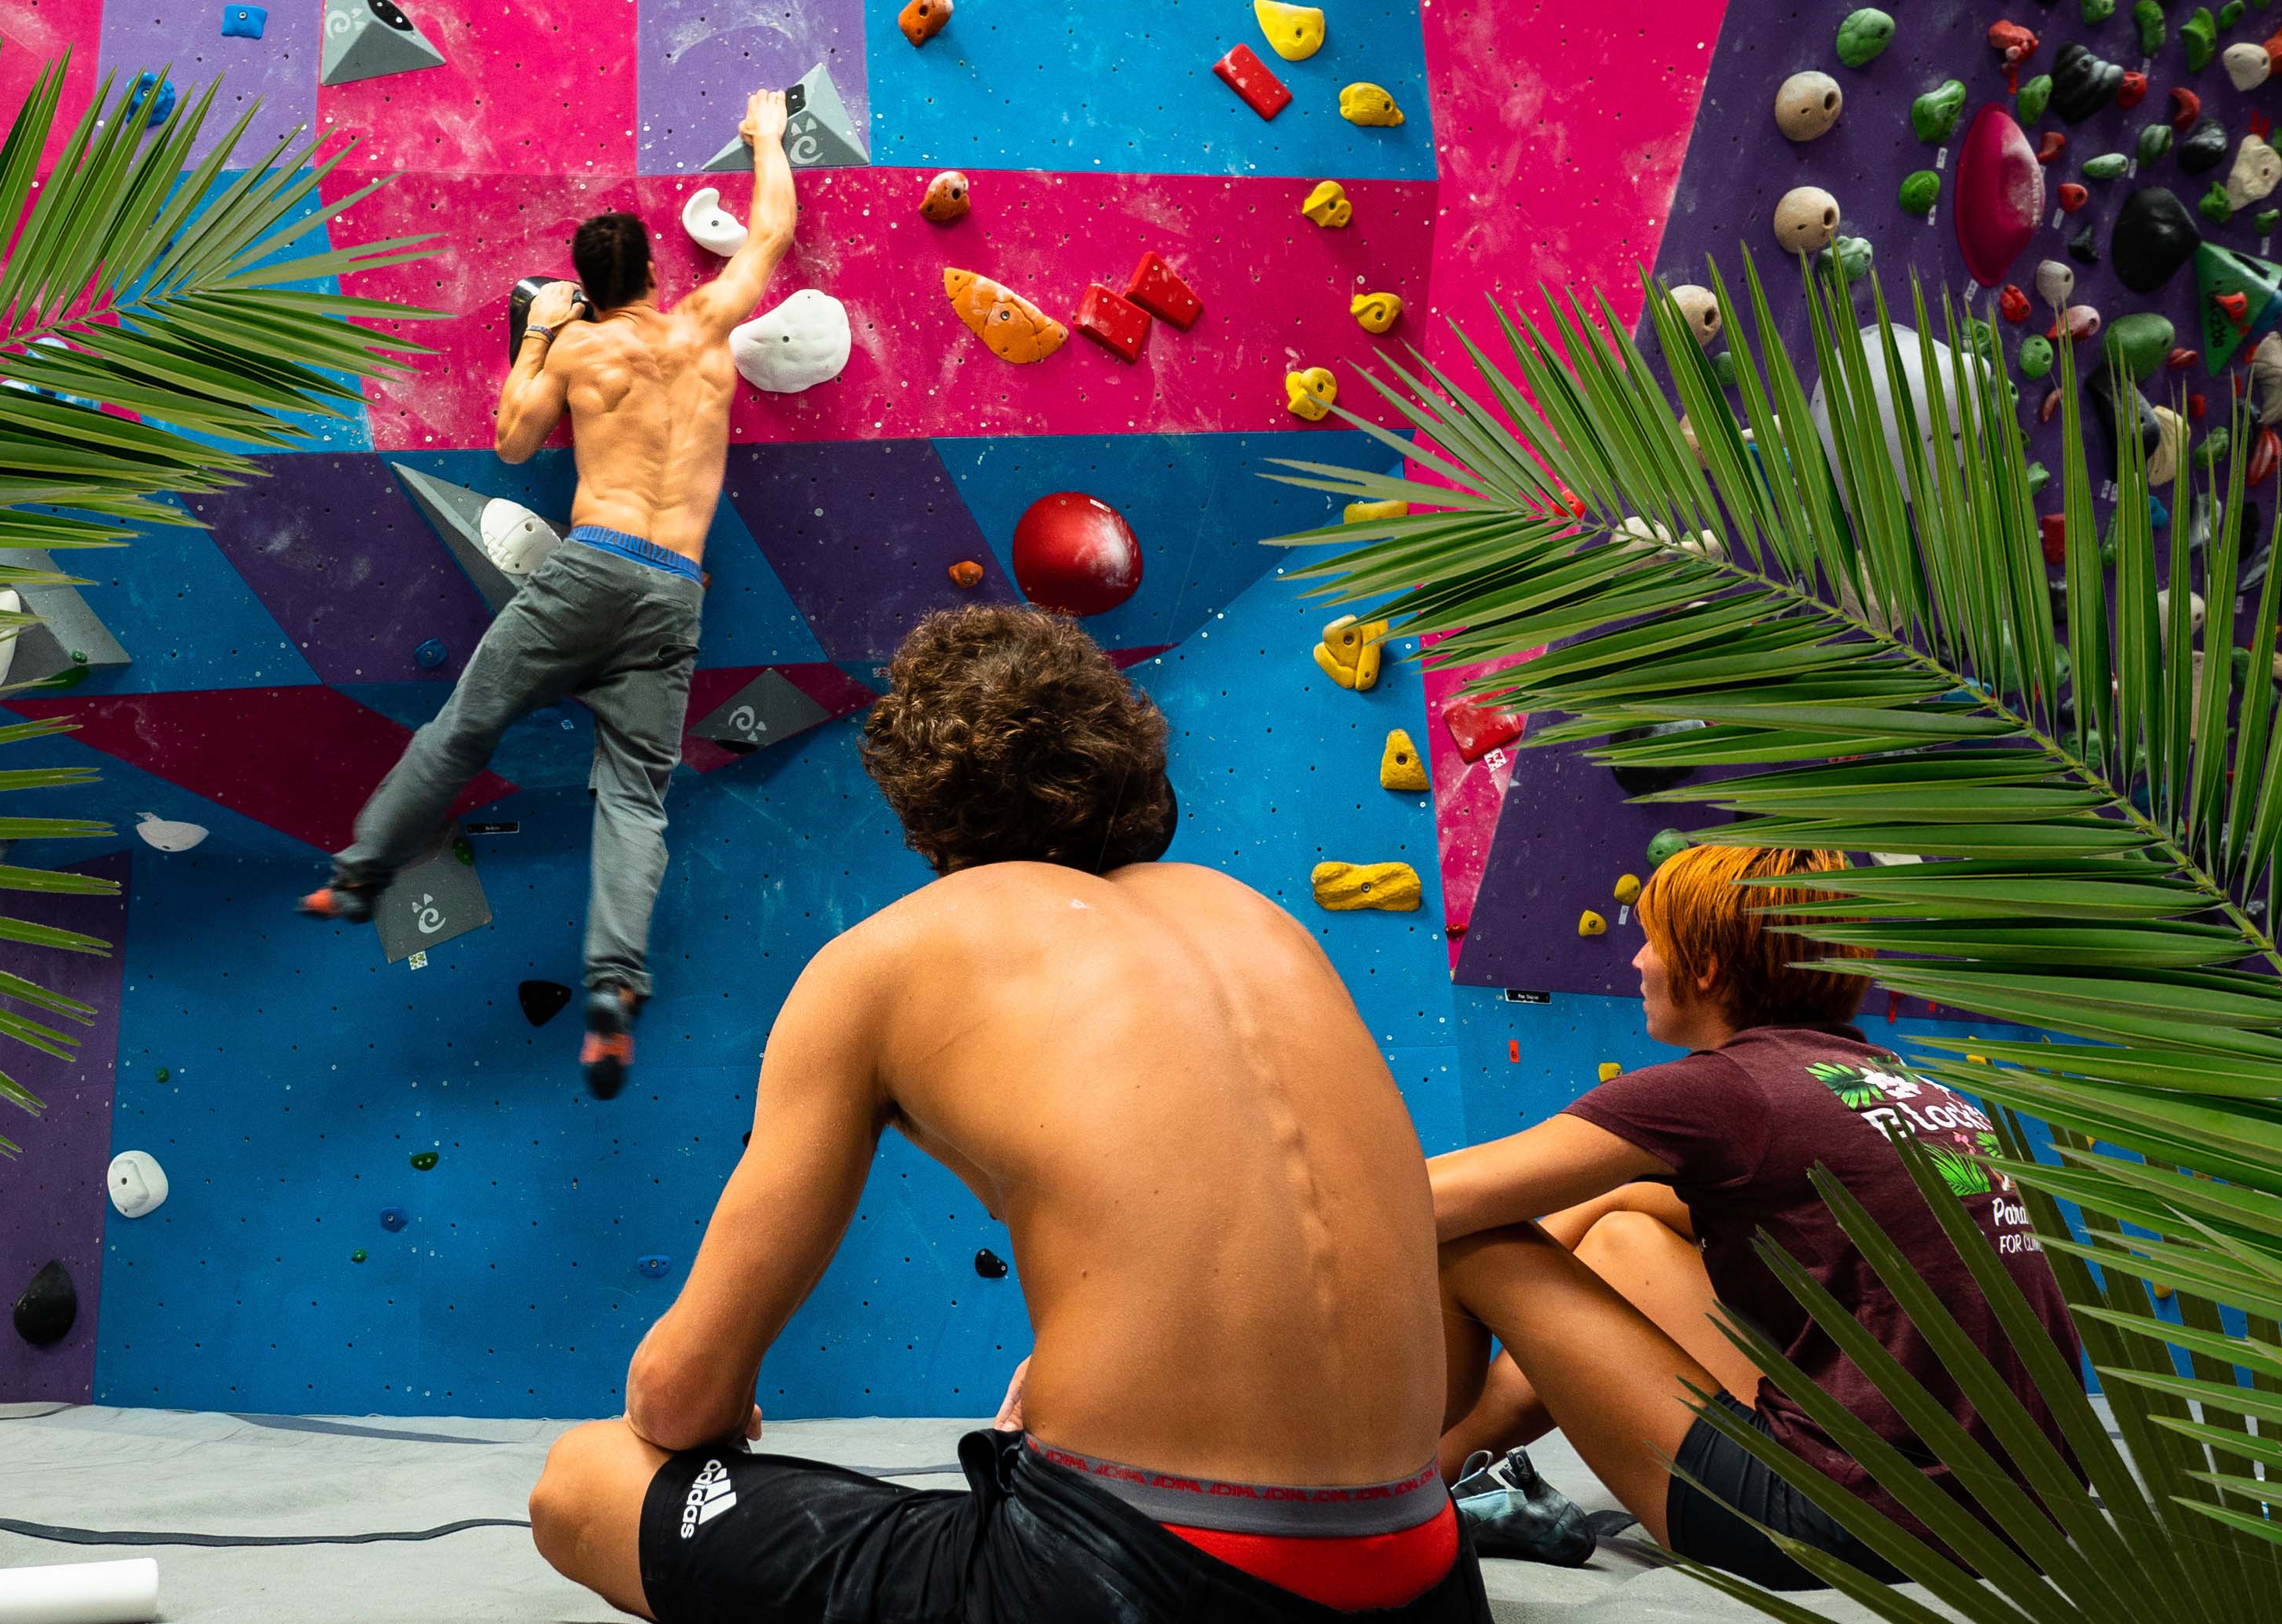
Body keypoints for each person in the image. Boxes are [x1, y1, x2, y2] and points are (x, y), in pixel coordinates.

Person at [525, 605, 1493, 1624]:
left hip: (1126, 1580)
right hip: (1423, 1570)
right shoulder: (1263, 927)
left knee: (586, 1478)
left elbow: (679, 1395)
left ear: (919, 805)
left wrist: (702, 1412)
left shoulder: (882, 962)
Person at [298, 89, 801, 1101]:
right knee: (634, 798)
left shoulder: (574, 346)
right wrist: (768, 141)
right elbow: (772, 232)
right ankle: (614, 986)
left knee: (463, 730)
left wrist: (537, 337)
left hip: (589, 569)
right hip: (672, 594)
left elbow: (514, 443)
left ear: (581, 287)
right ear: (656, 275)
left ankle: (360, 876)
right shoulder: (703, 324)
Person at [1425, 843, 2083, 1590]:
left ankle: (1385, 1498)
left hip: (1841, 1526)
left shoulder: (1722, 1092)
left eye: (1651, 939)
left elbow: (1422, 1202)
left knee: (1471, 1241)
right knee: (1621, 1234)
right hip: (2024, 1522)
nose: (1635, 961)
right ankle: (1455, 1476)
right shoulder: (1897, 1088)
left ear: (1703, 966)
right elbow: (1630, 1207)